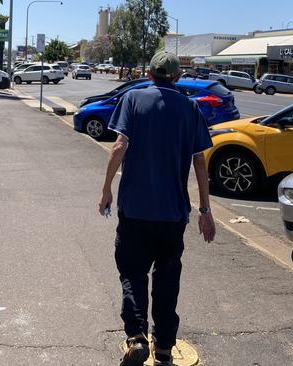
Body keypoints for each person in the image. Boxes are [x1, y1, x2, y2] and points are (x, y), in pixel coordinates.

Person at [98, 51, 216, 366]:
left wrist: (107, 189)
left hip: (135, 211)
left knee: (133, 273)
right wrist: (205, 210)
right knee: (166, 279)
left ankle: (136, 337)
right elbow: (200, 162)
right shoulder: (190, 109)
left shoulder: (133, 100)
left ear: (148, 74)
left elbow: (119, 145)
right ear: (177, 77)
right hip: (172, 215)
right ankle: (163, 347)